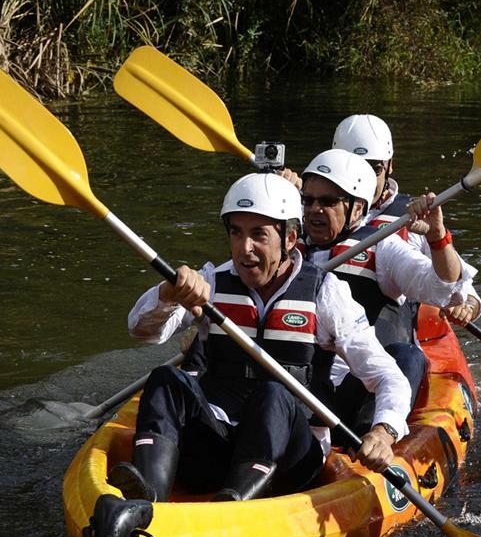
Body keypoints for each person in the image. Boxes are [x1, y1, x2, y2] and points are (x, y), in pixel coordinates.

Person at [106, 173, 410, 504]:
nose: (244, 248)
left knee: (273, 394)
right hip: (219, 444)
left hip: (291, 459)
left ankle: (233, 505)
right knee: (166, 378)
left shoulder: (326, 293)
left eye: (258, 235)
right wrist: (168, 294)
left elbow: (386, 376)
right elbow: (143, 331)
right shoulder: (212, 282)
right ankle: (145, 500)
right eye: (236, 233)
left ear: (290, 238)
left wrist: (384, 432)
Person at [297, 149, 480, 438]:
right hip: (296, 389)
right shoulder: (284, 248)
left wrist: (437, 238)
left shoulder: (383, 247)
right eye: (307, 200)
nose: (314, 209)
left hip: (355, 391)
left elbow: (443, 288)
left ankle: (375, 437)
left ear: (358, 208)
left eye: (328, 202)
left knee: (407, 357)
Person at [332, 112, 481, 328]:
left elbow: (459, 288)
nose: (362, 179)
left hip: (386, 337)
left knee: (409, 360)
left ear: (390, 165)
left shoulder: (414, 217)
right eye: (354, 167)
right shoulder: (311, 211)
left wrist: (467, 304)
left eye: (373, 169)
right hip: (329, 333)